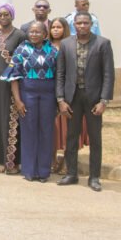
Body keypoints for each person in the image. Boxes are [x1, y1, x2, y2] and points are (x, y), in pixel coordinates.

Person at [57, 12, 114, 192]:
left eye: (85, 23)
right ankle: (71, 173)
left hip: (94, 99)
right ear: (74, 24)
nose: (82, 26)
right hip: (72, 98)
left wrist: (104, 101)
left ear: (91, 24)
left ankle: (94, 177)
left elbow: (108, 74)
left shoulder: (103, 44)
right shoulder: (66, 44)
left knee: (95, 138)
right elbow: (60, 73)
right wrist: (61, 100)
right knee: (71, 137)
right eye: (79, 23)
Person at [1, 22, 58, 183]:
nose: (33, 34)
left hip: (48, 94)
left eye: (37, 32)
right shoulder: (21, 50)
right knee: (29, 131)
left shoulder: (53, 51)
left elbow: (59, 74)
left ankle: (44, 171)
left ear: (45, 34)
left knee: (46, 131)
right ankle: (29, 170)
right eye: (31, 32)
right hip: (28, 93)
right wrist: (18, 100)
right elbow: (13, 77)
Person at [0, 3, 28, 174]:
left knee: (11, 121)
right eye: (0, 15)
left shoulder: (20, 35)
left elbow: (21, 60)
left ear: (12, 15)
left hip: (12, 84)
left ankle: (12, 161)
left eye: (6, 14)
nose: (3, 17)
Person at [48, 17, 87, 174]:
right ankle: (51, 160)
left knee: (68, 129)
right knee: (52, 129)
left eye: (59, 27)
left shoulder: (71, 45)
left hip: (69, 93)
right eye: (53, 27)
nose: (56, 30)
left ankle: (66, 162)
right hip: (49, 91)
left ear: (65, 28)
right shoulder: (45, 46)